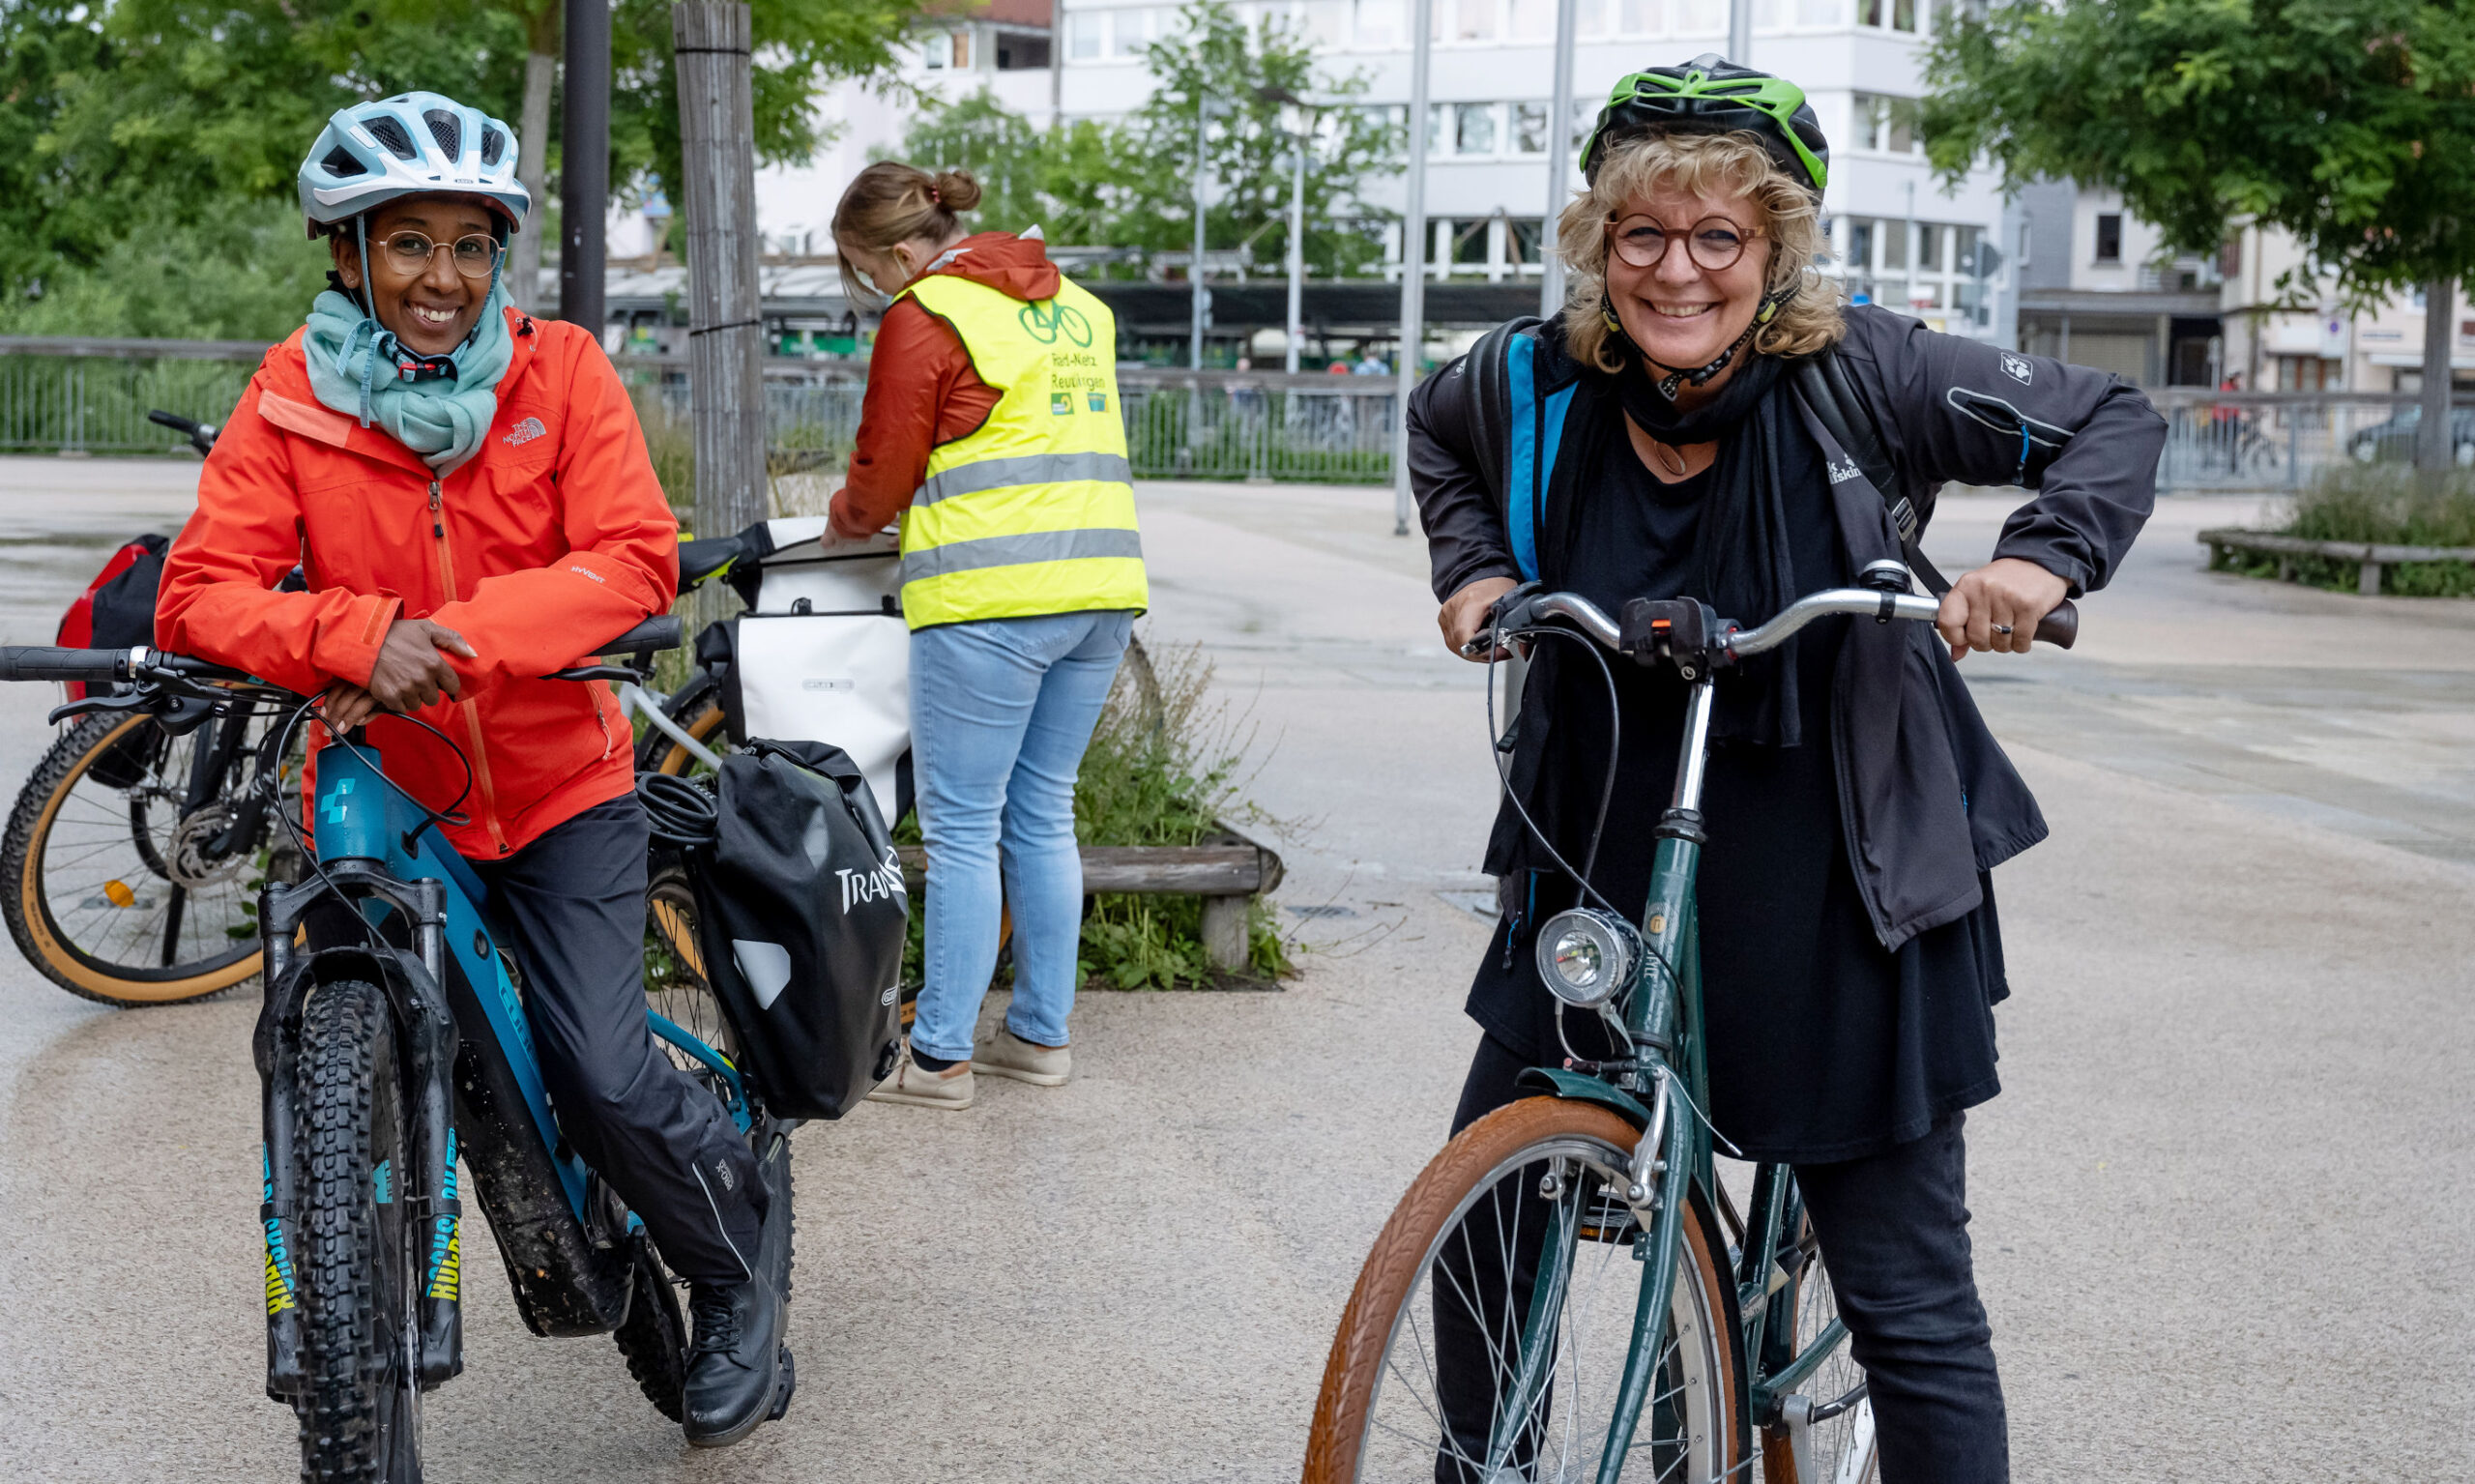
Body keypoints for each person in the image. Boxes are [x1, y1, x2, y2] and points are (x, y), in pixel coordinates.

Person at [1408, 58, 2163, 1483]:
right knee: (1484, 1228)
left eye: (1718, 238)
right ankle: (1485, 1463)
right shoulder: (1529, 378)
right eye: (1643, 233)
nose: (1676, 270)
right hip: (1600, 836)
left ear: (1776, 247)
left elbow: (2113, 417)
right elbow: (1438, 439)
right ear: (1599, 241)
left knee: (1909, 1302)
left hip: (1839, 867)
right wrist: (1474, 571)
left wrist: (2036, 558)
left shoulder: (1868, 373)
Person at [155, 92, 790, 1445]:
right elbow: (200, 592)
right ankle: (344, 1277)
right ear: (349, 256)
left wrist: (452, 644)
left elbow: (626, 557)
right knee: (317, 1050)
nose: (442, 277)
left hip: (562, 782)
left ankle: (737, 1274)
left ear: (499, 256)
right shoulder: (287, 403)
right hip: (381, 784)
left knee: (605, 1071)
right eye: (407, 244)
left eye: (469, 245)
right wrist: (349, 634)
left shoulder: (561, 375)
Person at [824, 161, 1146, 1111]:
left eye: (864, 269)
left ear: (896, 251)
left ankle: (940, 1059)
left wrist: (844, 516)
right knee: (1043, 810)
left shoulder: (927, 313)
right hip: (1102, 591)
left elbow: (882, 475)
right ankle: (1040, 1037)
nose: (874, 288)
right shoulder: (1079, 307)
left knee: (963, 829)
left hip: (991, 599)